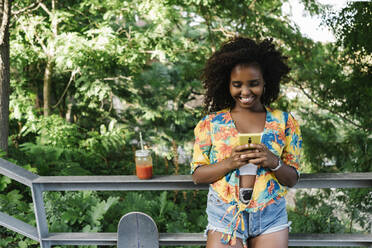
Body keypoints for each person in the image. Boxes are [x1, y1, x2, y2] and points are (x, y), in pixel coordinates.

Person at [190, 37, 302, 248]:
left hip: (270, 215)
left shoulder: (285, 122)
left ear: (265, 82)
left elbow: (292, 178)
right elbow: (197, 175)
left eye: (253, 84)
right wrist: (230, 163)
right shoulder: (211, 123)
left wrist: (273, 161)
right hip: (225, 214)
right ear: (227, 84)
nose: (245, 91)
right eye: (237, 84)